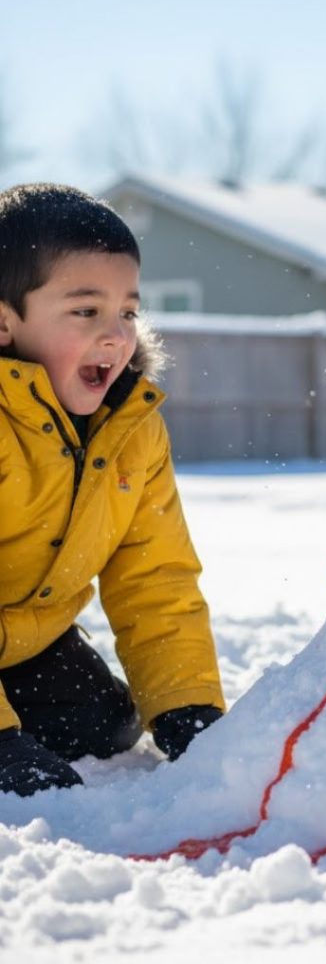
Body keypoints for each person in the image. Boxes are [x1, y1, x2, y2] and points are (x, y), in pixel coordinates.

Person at [0, 183, 225, 797]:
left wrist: (187, 705)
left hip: (26, 636)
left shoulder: (131, 429)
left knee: (104, 722)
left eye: (127, 311)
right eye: (85, 310)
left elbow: (156, 578)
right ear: (4, 321)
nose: (116, 335)